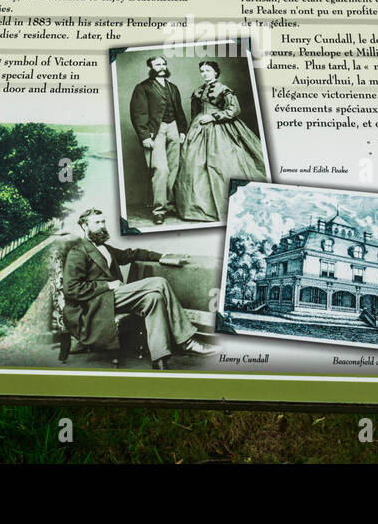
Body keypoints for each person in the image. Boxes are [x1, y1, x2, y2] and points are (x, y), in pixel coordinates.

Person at [61, 208, 215, 369]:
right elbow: (71, 289)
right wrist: (107, 285)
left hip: (111, 298)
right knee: (159, 282)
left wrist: (161, 256)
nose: (102, 226)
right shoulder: (78, 252)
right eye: (97, 222)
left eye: (103, 221)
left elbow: (132, 254)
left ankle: (159, 358)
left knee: (153, 299)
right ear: (85, 226)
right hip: (95, 304)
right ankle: (187, 341)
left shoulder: (105, 248)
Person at [175, 59, 268, 222]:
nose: (204, 74)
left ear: (215, 73)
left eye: (208, 71)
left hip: (220, 128)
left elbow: (234, 109)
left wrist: (213, 117)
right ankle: (196, 207)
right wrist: (195, 126)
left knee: (222, 162)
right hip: (199, 129)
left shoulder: (224, 90)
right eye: (202, 71)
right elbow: (194, 113)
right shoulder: (197, 91)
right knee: (193, 164)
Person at [128, 55, 187, 224]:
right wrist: (144, 136)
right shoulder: (143, 87)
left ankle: (170, 205)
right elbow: (138, 113)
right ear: (151, 68)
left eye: (163, 63)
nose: (161, 67)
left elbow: (179, 111)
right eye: (157, 64)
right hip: (155, 130)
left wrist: (182, 130)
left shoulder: (173, 87)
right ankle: (158, 210)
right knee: (161, 170)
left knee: (174, 168)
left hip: (174, 128)